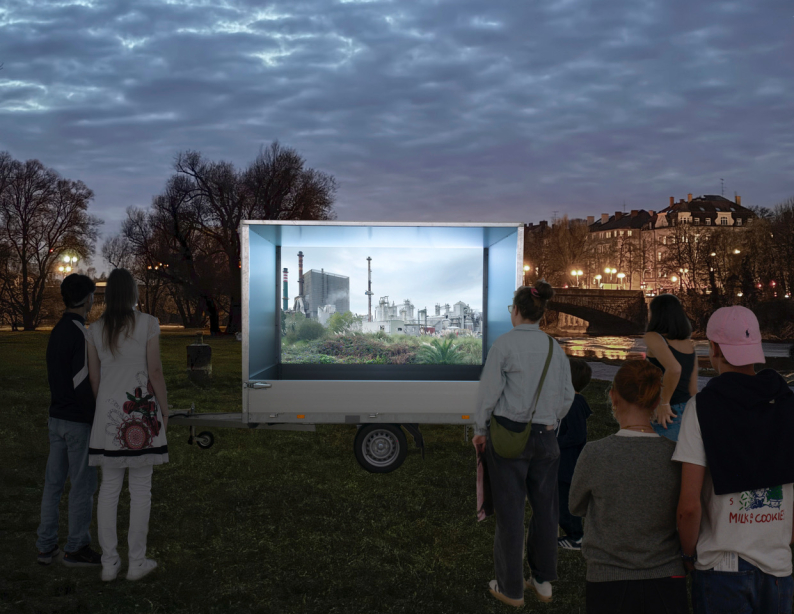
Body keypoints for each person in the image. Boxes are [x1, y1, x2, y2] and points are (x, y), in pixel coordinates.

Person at [674, 306, 794, 614]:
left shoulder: (702, 407)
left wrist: (688, 555)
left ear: (713, 348)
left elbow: (689, 504)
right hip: (778, 565)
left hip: (722, 565)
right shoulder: (787, 404)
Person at [473, 281, 575, 607]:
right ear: (541, 313)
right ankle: (543, 582)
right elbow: (568, 396)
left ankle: (511, 588)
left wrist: (479, 428)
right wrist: (550, 420)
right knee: (546, 512)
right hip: (547, 438)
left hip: (508, 438)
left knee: (510, 514)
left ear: (516, 311)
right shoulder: (554, 347)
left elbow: (488, 394)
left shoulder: (504, 345)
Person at [570, 360, 687, 614]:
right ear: (657, 401)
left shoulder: (595, 453)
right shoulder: (675, 455)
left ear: (613, 395)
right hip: (667, 575)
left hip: (608, 578)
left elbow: (575, 505)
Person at [86, 268, 169, 582]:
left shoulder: (94, 329)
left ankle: (109, 563)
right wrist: (164, 409)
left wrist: (105, 406)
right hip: (142, 414)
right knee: (141, 489)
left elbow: (95, 378)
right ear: (133, 293)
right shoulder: (147, 324)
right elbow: (155, 371)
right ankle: (136, 562)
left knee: (108, 490)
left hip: (108, 416)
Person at [36, 274, 102, 566]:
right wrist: (95, 419)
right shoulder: (80, 334)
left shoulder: (57, 331)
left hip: (56, 419)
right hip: (77, 422)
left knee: (53, 485)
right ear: (88, 298)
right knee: (82, 486)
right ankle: (76, 547)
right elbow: (82, 383)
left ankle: (46, 545)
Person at [644, 294, 698, 441]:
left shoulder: (653, 337)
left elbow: (674, 369)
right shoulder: (688, 344)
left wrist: (664, 402)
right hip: (688, 411)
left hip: (667, 411)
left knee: (661, 460)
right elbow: (693, 389)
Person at [556, 358, 592, 551]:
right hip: (564, 464)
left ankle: (576, 537)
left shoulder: (574, 403)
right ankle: (573, 534)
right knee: (562, 501)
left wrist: (555, 443)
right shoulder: (571, 401)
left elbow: (577, 435)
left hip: (568, 465)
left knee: (566, 505)